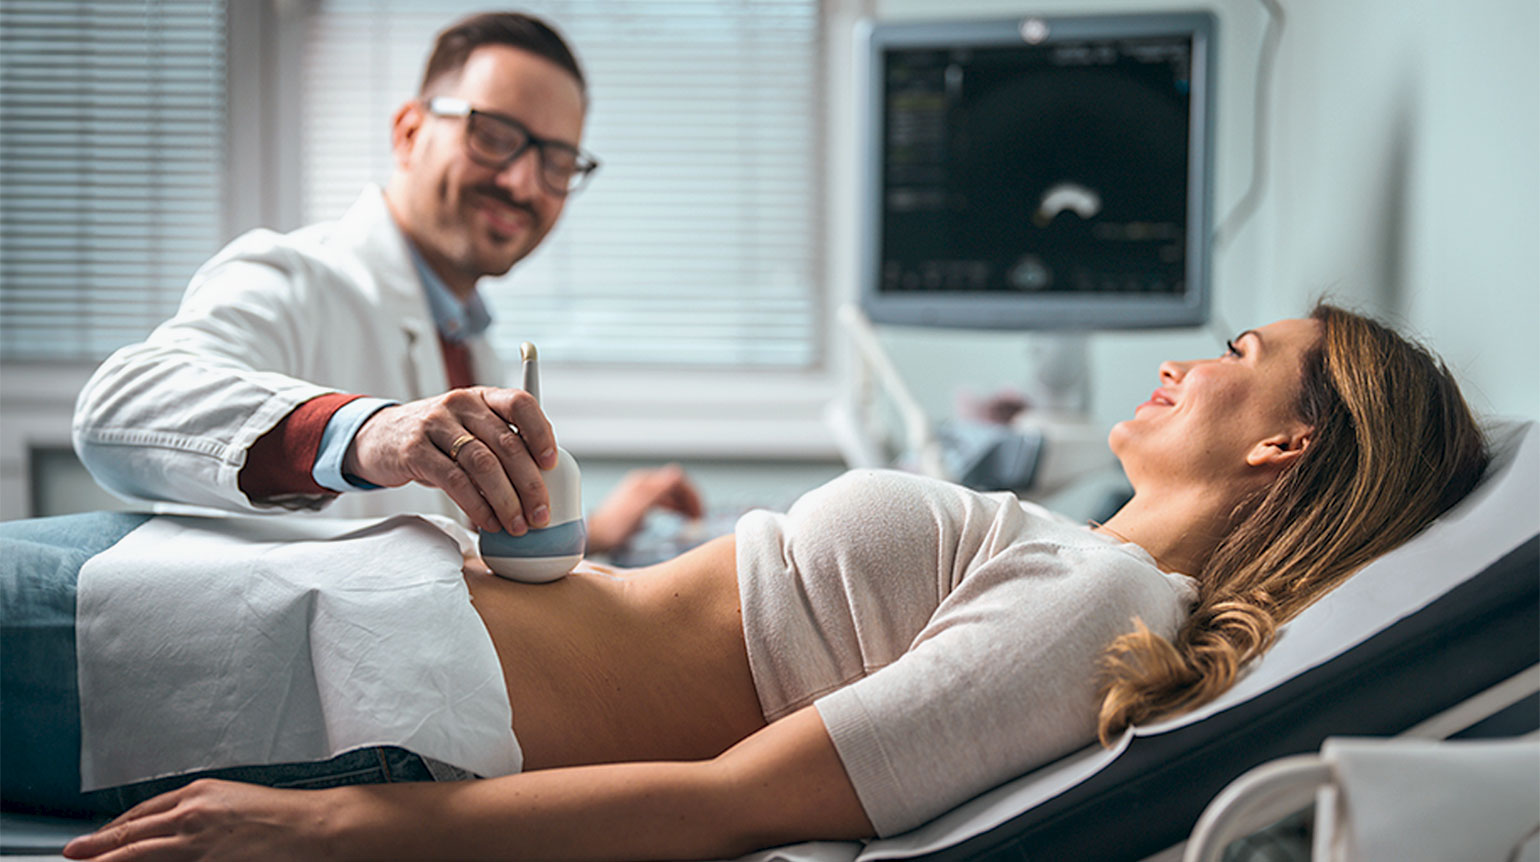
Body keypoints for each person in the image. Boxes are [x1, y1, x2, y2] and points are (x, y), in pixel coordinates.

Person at [15, 304, 1483, 860]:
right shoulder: (1084, 560)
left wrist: (338, 825)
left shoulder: (1110, 609)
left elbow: (739, 799)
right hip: (340, 599)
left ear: (1288, 441)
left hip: (327, 665)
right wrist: (546, 531)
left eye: (1235, 357)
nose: (1185, 360)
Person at [69, 11, 700, 554]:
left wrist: (593, 530)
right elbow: (119, 408)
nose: (523, 184)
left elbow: (447, 545)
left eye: (557, 162)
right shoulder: (297, 276)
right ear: (409, 132)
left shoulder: (466, 338)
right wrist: (372, 434)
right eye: (495, 136)